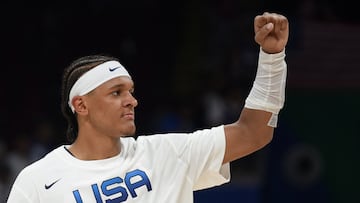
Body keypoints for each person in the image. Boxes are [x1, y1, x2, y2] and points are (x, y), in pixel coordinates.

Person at [7, 12, 289, 203]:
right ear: (81, 105)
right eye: (116, 92)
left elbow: (253, 133)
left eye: (131, 91)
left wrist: (272, 57)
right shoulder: (37, 181)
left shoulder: (167, 153)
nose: (131, 100)